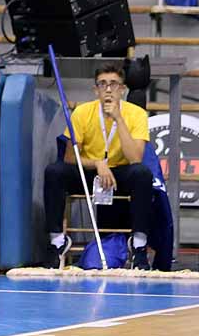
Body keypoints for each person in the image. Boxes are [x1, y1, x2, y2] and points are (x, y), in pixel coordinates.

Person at [42, 62, 153, 271]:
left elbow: (135, 158)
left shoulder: (137, 114)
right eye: (102, 84)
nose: (108, 89)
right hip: (89, 170)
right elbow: (69, 157)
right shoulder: (82, 112)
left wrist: (118, 119)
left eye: (113, 84)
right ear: (95, 90)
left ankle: (138, 245)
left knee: (143, 174)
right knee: (54, 171)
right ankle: (57, 242)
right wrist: (97, 163)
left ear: (123, 89)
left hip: (120, 172)